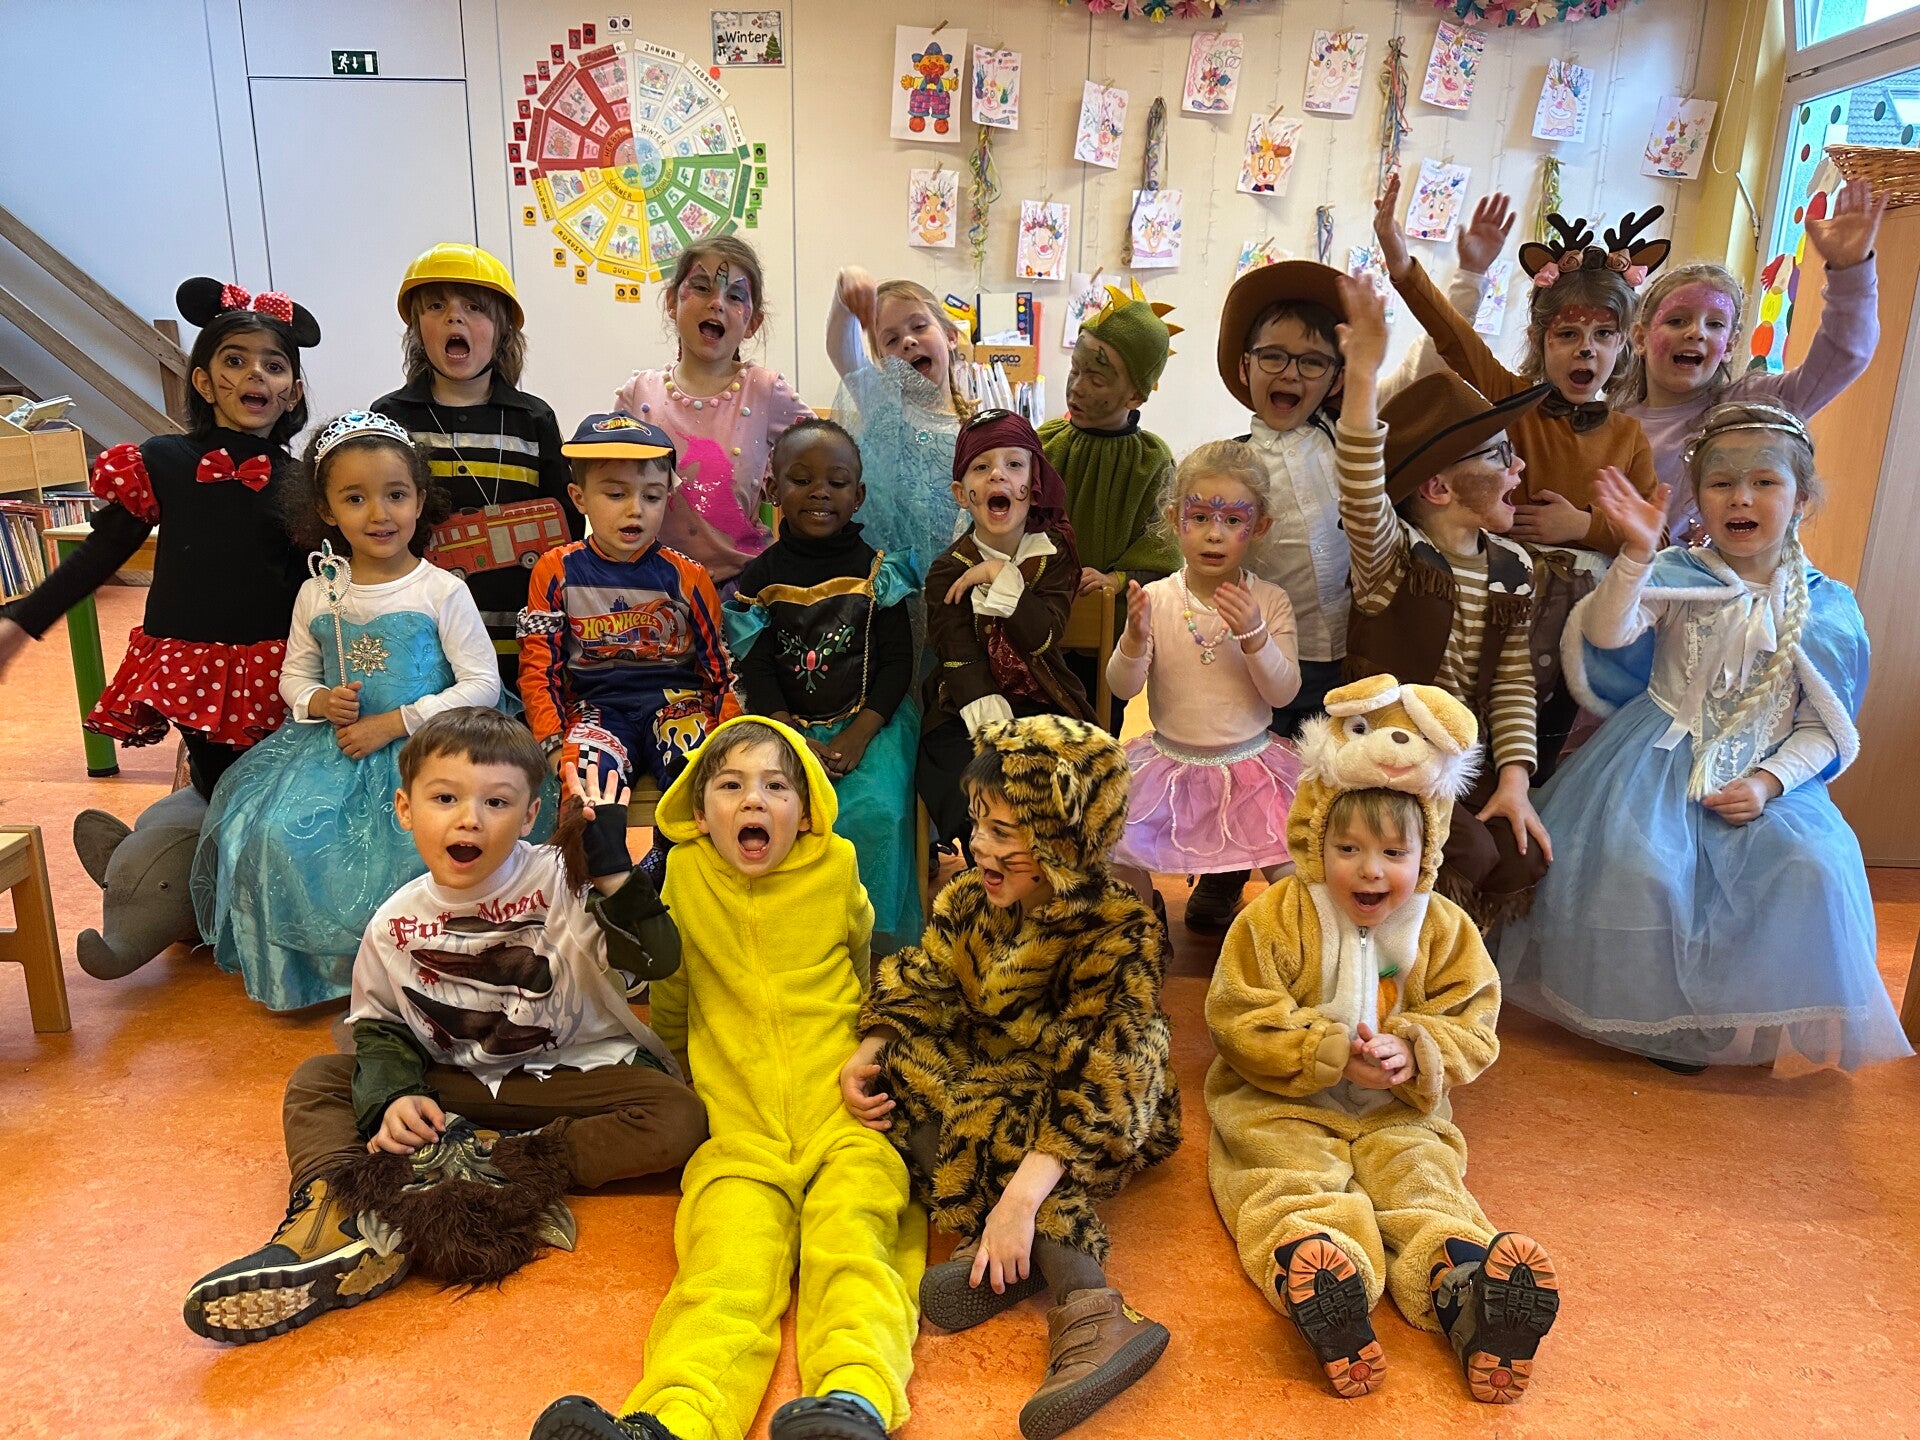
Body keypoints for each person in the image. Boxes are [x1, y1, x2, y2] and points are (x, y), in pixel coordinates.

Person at [183, 707, 701, 1345]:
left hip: (569, 1080)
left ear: (530, 815)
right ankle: (329, 1212)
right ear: (405, 808)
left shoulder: (564, 880)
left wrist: (614, 871)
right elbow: (381, 1026)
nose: (469, 818)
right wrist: (394, 1097)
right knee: (319, 1079)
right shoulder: (393, 922)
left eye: (496, 802)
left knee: (678, 1115)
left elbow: (658, 960)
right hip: (457, 1088)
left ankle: (482, 1167)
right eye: (445, 798)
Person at [531, 717, 920, 1440]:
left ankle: (854, 1402)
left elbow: (864, 960)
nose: (753, 801)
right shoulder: (685, 875)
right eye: (732, 785)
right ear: (700, 811)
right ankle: (672, 1423)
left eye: (776, 787)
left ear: (806, 812)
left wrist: (873, 1047)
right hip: (738, 1134)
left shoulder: (837, 865)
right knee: (720, 1274)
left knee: (857, 1248)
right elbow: (673, 992)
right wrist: (686, 1075)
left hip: (845, 1123)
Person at [1499, 403, 1910, 1075]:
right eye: (1721, 483)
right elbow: (1608, 633)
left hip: (1768, 780)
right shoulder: (1676, 573)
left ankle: (1734, 1011)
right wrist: (1636, 555)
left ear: (1802, 499)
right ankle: (1652, 1019)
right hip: (1654, 763)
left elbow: (1823, 730)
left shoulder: (1827, 605)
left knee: (1810, 865)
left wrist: (1768, 783)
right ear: (1700, 498)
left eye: (1765, 482)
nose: (1740, 497)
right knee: (1640, 868)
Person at [1206, 674, 1561, 1405]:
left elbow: (1472, 1020)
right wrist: (1325, 1051)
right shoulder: (1274, 917)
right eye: (1348, 848)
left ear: (1426, 854)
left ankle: (1463, 1281)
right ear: (1316, 841)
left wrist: (1418, 1049)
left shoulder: (1443, 929)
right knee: (1283, 1174)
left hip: (1399, 1109)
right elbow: (1237, 1014)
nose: (1370, 870)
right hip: (1282, 1101)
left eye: (1394, 854)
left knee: (1423, 1176)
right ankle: (1320, 1266)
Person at [847, 715, 1180, 1440]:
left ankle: (1093, 1308)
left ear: (1063, 838)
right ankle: (1016, 1251)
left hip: (1095, 1112)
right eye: (977, 825)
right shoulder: (972, 899)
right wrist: (869, 1048)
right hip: (997, 1073)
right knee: (903, 1075)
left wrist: (1018, 1202)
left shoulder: (1118, 930)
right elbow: (926, 976)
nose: (980, 847)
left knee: (999, 1115)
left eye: (1004, 832)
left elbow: (1108, 1084)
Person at [190, 412, 501, 1010]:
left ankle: (416, 972)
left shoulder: (441, 590)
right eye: (356, 498)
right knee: (275, 833)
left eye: (396, 495)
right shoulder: (319, 592)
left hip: (429, 749)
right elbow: (294, 677)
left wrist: (394, 722)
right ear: (326, 510)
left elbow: (483, 684)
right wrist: (317, 700)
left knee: (419, 843)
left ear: (420, 502)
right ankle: (328, 973)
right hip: (333, 750)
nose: (379, 514)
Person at [0, 277, 319, 797]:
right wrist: (20, 625)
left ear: (294, 393)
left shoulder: (302, 481)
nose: (256, 374)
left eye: (274, 365)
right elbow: (100, 553)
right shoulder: (163, 459)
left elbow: (320, 578)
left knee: (267, 788)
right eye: (235, 360)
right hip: (188, 666)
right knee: (222, 790)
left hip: (275, 665)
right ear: (204, 382)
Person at [1336, 273, 1556, 928]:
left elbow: (1513, 681)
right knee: (1469, 851)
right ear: (1437, 488)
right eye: (1500, 457)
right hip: (1387, 757)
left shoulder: (1513, 568)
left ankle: (1461, 953)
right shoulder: (1393, 557)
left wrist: (1514, 780)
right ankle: (1405, 952)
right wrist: (1363, 374)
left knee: (1518, 852)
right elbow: (1361, 488)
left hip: (1463, 756)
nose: (1518, 469)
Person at [725, 418, 923, 955]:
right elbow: (757, 669)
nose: (820, 492)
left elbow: (897, 664)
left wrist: (859, 734)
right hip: (785, 725)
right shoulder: (758, 580)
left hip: (872, 721)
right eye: (801, 479)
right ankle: (797, 936)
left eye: (836, 483)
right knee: (781, 810)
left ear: (858, 496)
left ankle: (869, 941)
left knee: (876, 810)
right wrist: (788, 731)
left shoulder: (879, 572)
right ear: (773, 489)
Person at [1613, 181, 1885, 534]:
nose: (1696, 333)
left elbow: (1846, 354)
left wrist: (1851, 272)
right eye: (1677, 321)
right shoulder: (1615, 422)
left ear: (1730, 344)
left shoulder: (1749, 407)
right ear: (1640, 337)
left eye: (1714, 324)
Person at [372, 242, 578, 693]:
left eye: (475, 308)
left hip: (517, 639)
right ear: (416, 328)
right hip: (421, 640)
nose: (454, 318)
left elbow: (566, 528)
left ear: (503, 330)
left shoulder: (533, 419)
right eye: (436, 306)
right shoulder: (390, 418)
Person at [1107, 440, 1302, 912]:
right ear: (1175, 519)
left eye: (1233, 520)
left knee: (1298, 877)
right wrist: (1133, 640)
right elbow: (1122, 687)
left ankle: (1275, 940)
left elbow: (1284, 693)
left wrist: (1255, 636)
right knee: (1113, 858)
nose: (1214, 534)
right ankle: (1145, 929)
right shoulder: (1156, 598)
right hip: (1168, 767)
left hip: (1253, 771)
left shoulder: (1270, 600)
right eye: (1199, 517)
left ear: (1259, 527)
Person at [519, 413, 740, 807]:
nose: (635, 509)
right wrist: (552, 743)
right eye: (616, 494)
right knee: (584, 788)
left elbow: (722, 670)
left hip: (678, 704)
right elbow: (539, 668)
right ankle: (601, 850)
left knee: (705, 781)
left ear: (667, 499)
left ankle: (679, 847)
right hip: (595, 709)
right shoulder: (555, 571)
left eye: (651, 497)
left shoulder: (689, 577)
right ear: (579, 498)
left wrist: (732, 739)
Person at [916, 411, 1092, 848]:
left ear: (1034, 485)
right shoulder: (947, 571)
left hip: (1045, 703)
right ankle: (992, 874)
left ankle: (1046, 877)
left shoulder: (1054, 556)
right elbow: (960, 659)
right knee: (976, 786)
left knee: (1058, 787)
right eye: (981, 467)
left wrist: (1002, 576)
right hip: (965, 712)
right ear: (962, 494)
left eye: (1014, 464)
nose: (998, 474)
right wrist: (1000, 741)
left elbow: (1043, 638)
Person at [614, 235, 814, 586]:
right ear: (672, 301)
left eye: (735, 296)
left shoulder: (765, 391)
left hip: (744, 588)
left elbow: (824, 455)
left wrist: (778, 481)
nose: (717, 303)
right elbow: (610, 488)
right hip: (653, 586)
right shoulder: (639, 393)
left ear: (752, 322)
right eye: (702, 287)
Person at [1038, 280, 1183, 727]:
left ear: (1135, 395)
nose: (1077, 388)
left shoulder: (1151, 461)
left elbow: (1162, 550)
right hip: (1038, 629)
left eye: (1096, 379)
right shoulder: (1044, 443)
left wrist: (1116, 579)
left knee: (1096, 733)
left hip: (1107, 639)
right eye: (1074, 370)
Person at [827, 268, 972, 576]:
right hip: (885, 582)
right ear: (882, 362)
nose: (907, 341)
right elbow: (840, 347)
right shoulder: (882, 404)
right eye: (891, 340)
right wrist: (846, 287)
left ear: (950, 336)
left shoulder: (972, 428)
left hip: (952, 580)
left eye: (919, 326)